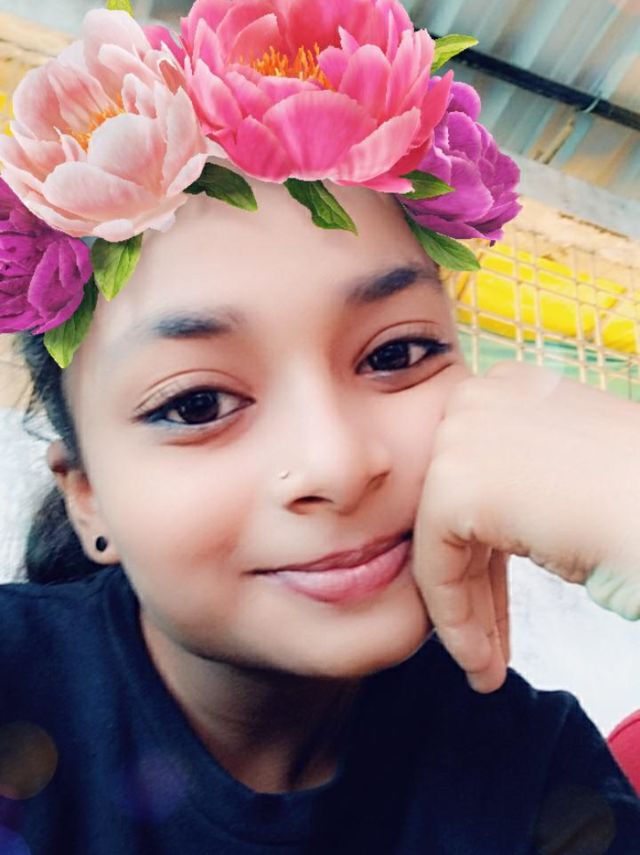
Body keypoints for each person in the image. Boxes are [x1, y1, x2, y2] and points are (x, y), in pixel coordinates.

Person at [1, 1, 639, 853]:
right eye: (196, 404)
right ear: (88, 498)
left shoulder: (534, 773)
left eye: (396, 353)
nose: (336, 463)